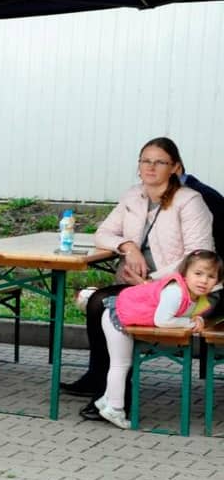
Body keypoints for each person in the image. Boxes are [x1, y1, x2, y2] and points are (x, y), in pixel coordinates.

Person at [62, 138, 214, 420]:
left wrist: (151, 280)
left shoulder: (190, 201)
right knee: (99, 303)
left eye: (160, 162)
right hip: (138, 285)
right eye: (146, 161)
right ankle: (102, 383)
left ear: (175, 167)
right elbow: (102, 234)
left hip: (177, 290)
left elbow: (198, 256)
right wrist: (127, 246)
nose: (151, 167)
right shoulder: (133, 196)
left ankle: (115, 395)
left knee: (105, 304)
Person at [94, 250, 222, 429]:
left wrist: (198, 319)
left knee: (123, 363)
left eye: (211, 276)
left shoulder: (195, 295)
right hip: (117, 315)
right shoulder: (175, 291)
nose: (204, 280)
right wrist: (190, 324)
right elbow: (162, 320)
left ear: (217, 282)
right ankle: (115, 408)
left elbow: (189, 313)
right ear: (185, 274)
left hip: (127, 317)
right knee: (120, 364)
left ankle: (106, 400)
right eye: (198, 273)